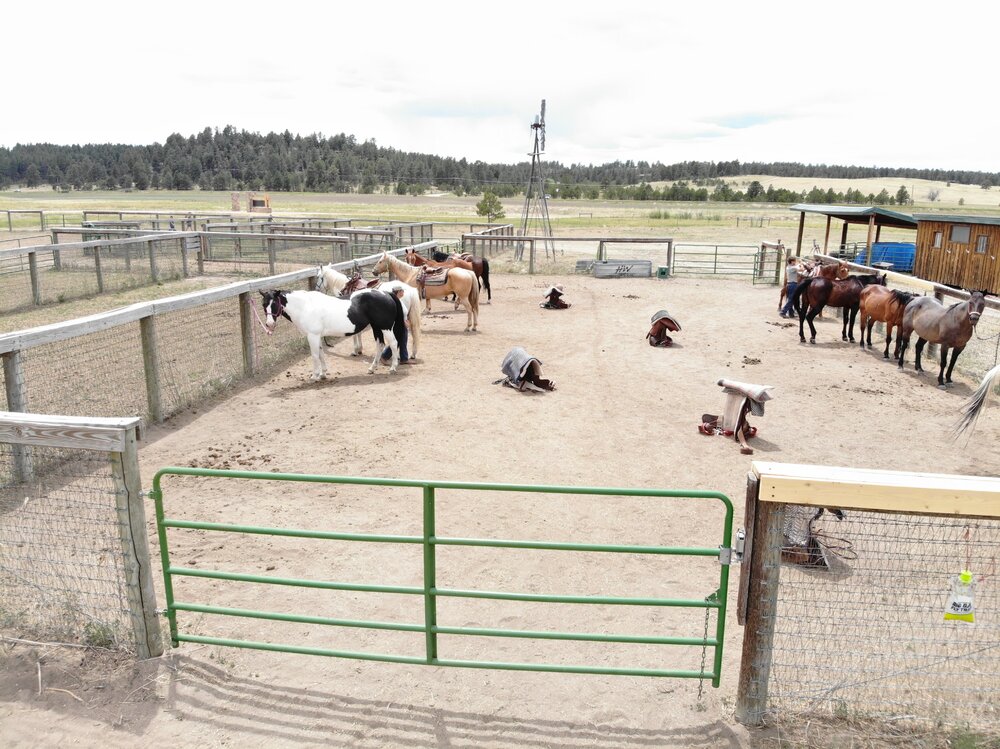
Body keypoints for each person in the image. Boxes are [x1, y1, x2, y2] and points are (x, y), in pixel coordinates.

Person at [380, 287, 414, 364]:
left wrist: (406, 320)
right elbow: (397, 314)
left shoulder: (398, 300)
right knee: (398, 341)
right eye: (402, 291)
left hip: (402, 324)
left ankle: (404, 358)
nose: (403, 293)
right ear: (399, 292)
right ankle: (384, 356)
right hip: (399, 324)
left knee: (403, 341)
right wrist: (403, 322)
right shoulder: (395, 301)